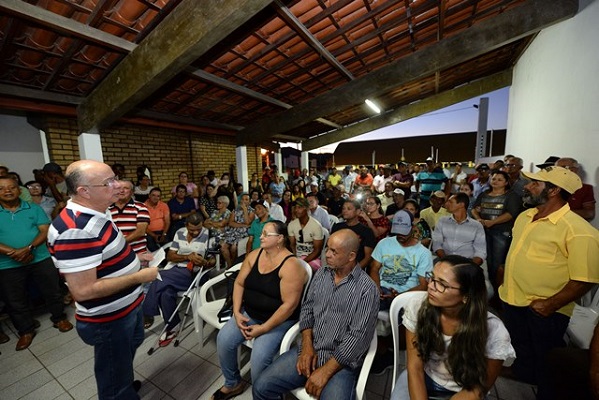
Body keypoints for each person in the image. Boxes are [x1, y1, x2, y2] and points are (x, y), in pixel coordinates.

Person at [47, 160, 158, 399]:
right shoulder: (75, 230)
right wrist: (139, 275)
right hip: (109, 318)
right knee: (112, 372)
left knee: (127, 352)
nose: (117, 185)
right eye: (109, 182)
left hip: (127, 306)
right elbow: (84, 291)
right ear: (84, 191)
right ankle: (119, 391)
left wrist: (133, 257)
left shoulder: (100, 212)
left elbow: (102, 255)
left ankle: (123, 383)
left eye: (115, 178)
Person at [499, 166, 599, 399]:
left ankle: (545, 392)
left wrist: (550, 304)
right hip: (514, 299)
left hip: (545, 310)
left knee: (546, 358)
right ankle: (524, 373)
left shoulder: (579, 231)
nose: (527, 186)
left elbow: (584, 280)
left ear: (553, 191)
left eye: (535, 183)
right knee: (521, 345)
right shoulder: (525, 216)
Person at [252, 229, 379, 400]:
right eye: (327, 248)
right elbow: (307, 308)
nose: (327, 255)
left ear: (351, 256)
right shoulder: (322, 274)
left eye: (334, 251)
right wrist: (306, 345)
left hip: (341, 363)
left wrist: (326, 371)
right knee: (261, 387)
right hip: (312, 348)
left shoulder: (367, 289)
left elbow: (359, 337)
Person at [390, 255, 515, 399]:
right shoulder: (418, 307)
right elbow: (415, 368)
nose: (430, 286)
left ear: (466, 296)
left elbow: (478, 388)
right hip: (424, 378)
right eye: (432, 277)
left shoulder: (495, 331)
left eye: (442, 284)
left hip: (465, 389)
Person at [213, 221, 308, 400]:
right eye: (261, 233)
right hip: (250, 313)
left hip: (278, 320)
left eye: (266, 234)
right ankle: (232, 384)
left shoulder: (291, 265)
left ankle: (266, 395)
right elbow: (239, 283)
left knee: (258, 358)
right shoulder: (255, 255)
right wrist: (237, 312)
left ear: (280, 238)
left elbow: (289, 305)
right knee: (224, 339)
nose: (261, 237)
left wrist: (264, 329)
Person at [0, 176, 72, 351]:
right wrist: (13, 252)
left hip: (39, 258)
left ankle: (59, 318)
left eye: (12, 187)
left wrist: (28, 248)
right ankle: (26, 331)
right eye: (2, 188)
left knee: (53, 290)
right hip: (7, 264)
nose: (7, 191)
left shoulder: (33, 208)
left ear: (19, 190)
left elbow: (45, 230)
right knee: (15, 300)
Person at [142, 214, 216, 345]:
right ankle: (173, 326)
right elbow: (170, 256)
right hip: (178, 270)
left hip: (196, 274)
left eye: (199, 229)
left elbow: (213, 261)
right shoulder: (180, 233)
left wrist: (204, 262)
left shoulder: (209, 235)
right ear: (186, 226)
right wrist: (188, 257)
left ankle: (145, 312)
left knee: (159, 277)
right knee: (166, 291)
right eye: (192, 229)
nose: (196, 232)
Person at [370, 210, 433, 310]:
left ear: (412, 228)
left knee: (401, 313)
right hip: (382, 289)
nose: (400, 235)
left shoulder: (424, 254)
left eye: (404, 232)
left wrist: (399, 297)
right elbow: (374, 268)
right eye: (397, 231)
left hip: (407, 295)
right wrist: (376, 289)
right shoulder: (384, 243)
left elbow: (423, 285)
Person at [471, 170, 521, 291]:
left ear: (506, 182)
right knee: (485, 262)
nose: (496, 181)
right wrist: (478, 218)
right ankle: (487, 289)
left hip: (502, 233)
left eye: (500, 179)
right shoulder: (484, 194)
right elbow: (474, 209)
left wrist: (492, 222)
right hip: (483, 232)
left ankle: (498, 291)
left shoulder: (511, 195)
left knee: (497, 264)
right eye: (493, 179)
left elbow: (511, 213)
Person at [331, 199, 376, 269]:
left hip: (355, 267)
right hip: (335, 266)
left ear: (358, 211)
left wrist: (354, 271)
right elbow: (329, 248)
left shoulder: (366, 231)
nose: (345, 211)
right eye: (343, 208)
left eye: (349, 209)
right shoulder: (337, 227)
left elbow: (368, 258)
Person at [109, 180, 150, 254]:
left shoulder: (140, 207)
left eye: (126, 188)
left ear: (132, 192)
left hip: (137, 254)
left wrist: (119, 244)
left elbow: (140, 232)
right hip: (114, 254)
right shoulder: (107, 209)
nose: (121, 191)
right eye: (118, 188)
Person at [288, 197, 324, 271]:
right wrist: (295, 258)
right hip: (297, 257)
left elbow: (317, 250)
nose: (296, 210)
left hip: (312, 258)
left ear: (307, 209)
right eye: (295, 208)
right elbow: (292, 245)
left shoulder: (316, 226)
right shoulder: (291, 225)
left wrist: (303, 262)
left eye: (300, 207)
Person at [222, 193, 254, 268]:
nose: (244, 201)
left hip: (243, 233)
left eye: (246, 200)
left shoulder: (252, 211)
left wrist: (245, 210)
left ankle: (234, 265)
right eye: (242, 199)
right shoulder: (235, 210)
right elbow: (231, 223)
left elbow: (248, 222)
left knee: (233, 248)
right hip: (233, 232)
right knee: (223, 247)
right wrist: (243, 225)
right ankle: (229, 265)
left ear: (249, 202)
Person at [144, 187, 171, 252]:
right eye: (153, 195)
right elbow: (143, 225)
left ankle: (167, 259)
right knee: (152, 247)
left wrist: (164, 234)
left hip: (163, 231)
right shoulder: (143, 206)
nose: (155, 198)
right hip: (149, 233)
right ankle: (160, 260)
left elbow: (167, 222)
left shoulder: (164, 205)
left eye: (158, 196)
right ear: (149, 195)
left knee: (168, 246)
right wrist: (154, 236)